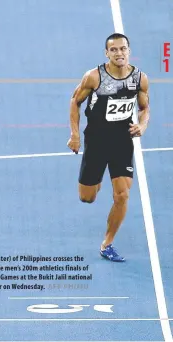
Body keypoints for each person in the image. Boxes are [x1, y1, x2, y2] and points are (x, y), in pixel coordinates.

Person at [67, 33, 150, 262]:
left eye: (123, 49)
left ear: (129, 50)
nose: (119, 53)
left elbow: (144, 108)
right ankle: (96, 179)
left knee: (122, 195)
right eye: (114, 50)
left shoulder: (140, 79)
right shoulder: (94, 77)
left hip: (122, 141)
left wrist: (142, 125)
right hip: (96, 141)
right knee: (87, 197)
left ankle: (107, 243)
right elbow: (75, 101)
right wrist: (75, 135)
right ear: (107, 53)